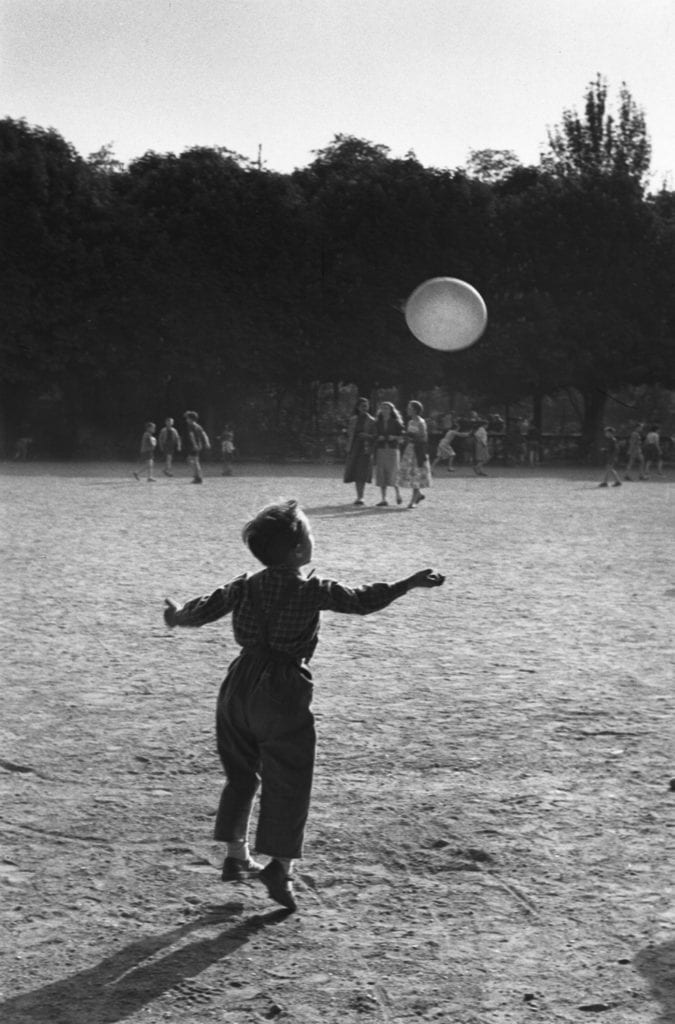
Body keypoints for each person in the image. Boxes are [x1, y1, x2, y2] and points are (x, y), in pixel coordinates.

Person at [163, 499, 445, 911]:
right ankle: (280, 866)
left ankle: (235, 855)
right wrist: (407, 583)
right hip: (283, 687)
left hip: (238, 683)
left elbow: (202, 609)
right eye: (310, 534)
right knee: (290, 779)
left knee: (241, 773)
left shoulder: (244, 584)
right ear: (298, 551)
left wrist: (175, 616)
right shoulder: (312, 589)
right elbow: (362, 600)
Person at [398, 400, 432, 507]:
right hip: (410, 449)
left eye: (410, 408)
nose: (408, 410)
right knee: (411, 473)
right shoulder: (410, 422)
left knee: (416, 473)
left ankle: (413, 500)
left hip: (418, 450)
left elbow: (424, 437)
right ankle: (418, 494)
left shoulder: (421, 422)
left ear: (415, 410)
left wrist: (412, 435)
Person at [343, 397, 375, 505]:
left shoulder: (372, 421)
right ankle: (358, 496)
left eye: (366, 406)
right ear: (358, 407)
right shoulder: (353, 420)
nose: (364, 408)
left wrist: (366, 436)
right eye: (362, 406)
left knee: (362, 472)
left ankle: (361, 497)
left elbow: (375, 436)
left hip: (365, 449)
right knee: (355, 472)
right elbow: (349, 434)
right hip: (354, 448)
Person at [373, 401, 403, 505]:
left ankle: (398, 494)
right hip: (381, 449)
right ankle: (383, 498)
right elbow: (373, 436)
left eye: (387, 408)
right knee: (381, 473)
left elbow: (403, 436)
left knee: (394, 472)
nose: (384, 410)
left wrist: (394, 437)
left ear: (391, 410)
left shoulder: (395, 422)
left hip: (393, 449)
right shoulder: (377, 423)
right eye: (383, 408)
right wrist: (378, 438)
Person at [183, 410, 211, 484]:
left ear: (191, 419)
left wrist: (194, 444)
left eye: (187, 418)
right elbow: (204, 434)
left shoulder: (191, 426)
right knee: (193, 461)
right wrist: (207, 442)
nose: (186, 420)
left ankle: (198, 477)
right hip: (199, 445)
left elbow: (191, 436)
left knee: (194, 461)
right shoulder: (198, 426)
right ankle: (197, 476)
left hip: (194, 445)